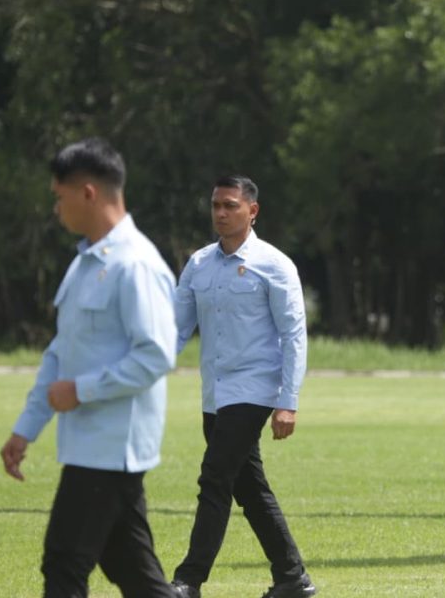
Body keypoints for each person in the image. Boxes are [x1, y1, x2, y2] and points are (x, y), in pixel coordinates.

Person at [0, 138, 177, 597]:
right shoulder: (84, 265)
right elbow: (60, 354)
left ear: (89, 193)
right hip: (89, 447)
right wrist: (26, 428)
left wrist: (82, 390)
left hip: (112, 448)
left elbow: (156, 355)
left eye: (59, 197)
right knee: (132, 570)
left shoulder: (136, 264)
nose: (56, 209)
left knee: (63, 563)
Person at [170, 175, 317, 598]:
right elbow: (175, 329)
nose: (221, 213)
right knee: (248, 488)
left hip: (254, 390)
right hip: (214, 394)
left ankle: (188, 581)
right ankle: (292, 578)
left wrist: (288, 401)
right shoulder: (199, 264)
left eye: (230, 205)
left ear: (252, 211)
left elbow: (294, 335)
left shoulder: (275, 264)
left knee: (214, 479)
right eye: (216, 205)